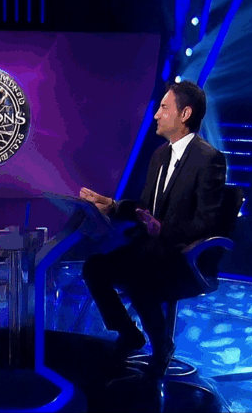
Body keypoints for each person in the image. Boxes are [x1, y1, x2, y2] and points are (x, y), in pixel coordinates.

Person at [78, 80, 226, 374]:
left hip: (183, 257)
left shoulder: (209, 160)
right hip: (149, 250)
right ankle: (129, 333)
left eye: (164, 108)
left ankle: (162, 345)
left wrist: (164, 230)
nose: (156, 114)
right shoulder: (159, 156)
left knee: (139, 275)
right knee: (94, 268)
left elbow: (207, 223)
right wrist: (112, 205)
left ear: (185, 114)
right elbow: (146, 209)